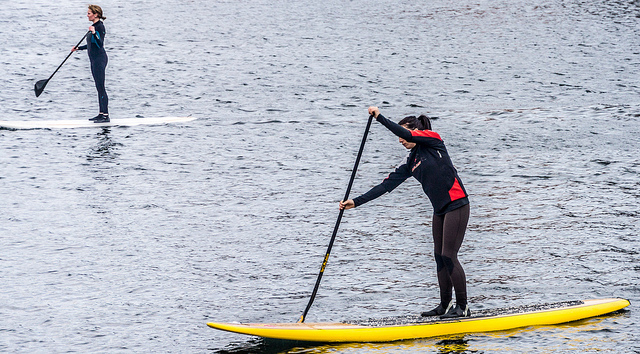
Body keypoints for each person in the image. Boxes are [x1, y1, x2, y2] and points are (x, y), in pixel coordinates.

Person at [339, 106, 471, 318]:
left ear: (415, 131)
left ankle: (463, 307)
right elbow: (385, 186)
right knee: (439, 256)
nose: (400, 141)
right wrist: (356, 202)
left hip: (458, 204)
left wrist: (380, 117)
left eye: (403, 135)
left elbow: (406, 134)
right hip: (440, 210)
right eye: (399, 137)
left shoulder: (433, 139)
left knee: (449, 255)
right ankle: (445, 305)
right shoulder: (411, 161)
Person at [72, 5, 109, 123]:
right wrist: (79, 48)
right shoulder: (93, 26)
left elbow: (100, 44)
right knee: (98, 87)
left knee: (101, 87)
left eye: (89, 13)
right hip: (93, 59)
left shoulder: (100, 27)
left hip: (99, 59)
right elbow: (91, 45)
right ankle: (101, 113)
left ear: (96, 14)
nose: (87, 15)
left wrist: (94, 33)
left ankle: (106, 115)